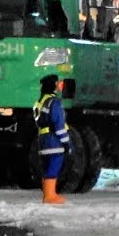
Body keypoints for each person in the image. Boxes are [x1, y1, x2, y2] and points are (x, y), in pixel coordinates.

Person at [33, 74, 69, 204]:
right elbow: (58, 124)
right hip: (54, 141)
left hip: (43, 139)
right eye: (57, 83)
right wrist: (66, 142)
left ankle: (48, 195)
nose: (59, 86)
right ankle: (50, 196)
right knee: (54, 167)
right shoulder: (54, 102)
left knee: (47, 168)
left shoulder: (40, 101)